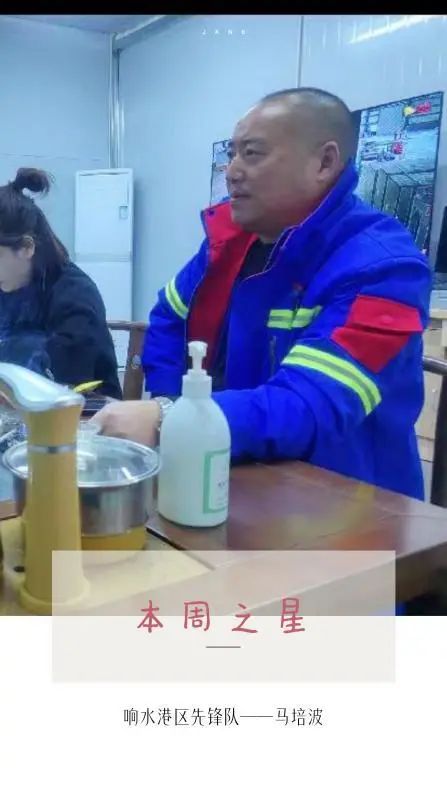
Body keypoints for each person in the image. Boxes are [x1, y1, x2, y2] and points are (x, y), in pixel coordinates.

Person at [94, 88, 431, 499]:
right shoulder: (229, 244)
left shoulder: (384, 270)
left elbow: (310, 405)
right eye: (231, 154)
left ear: (324, 162)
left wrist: (171, 418)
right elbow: (169, 316)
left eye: (252, 154)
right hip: (238, 478)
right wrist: (172, 402)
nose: (232, 171)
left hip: (346, 506)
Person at [0, 168, 121, 398]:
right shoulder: (7, 283)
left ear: (26, 248)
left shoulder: (75, 295)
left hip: (81, 412)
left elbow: (68, 388)